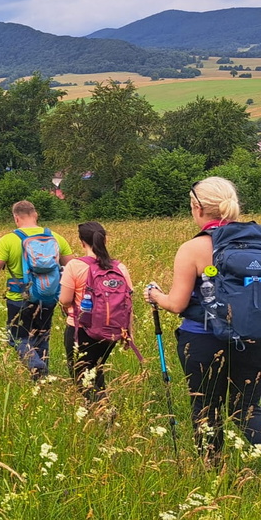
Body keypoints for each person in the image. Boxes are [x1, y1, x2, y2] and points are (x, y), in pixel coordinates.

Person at [144, 176, 261, 460]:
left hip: (203, 340)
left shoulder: (193, 248)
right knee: (250, 408)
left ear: (197, 208)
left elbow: (177, 303)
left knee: (207, 406)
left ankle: (212, 467)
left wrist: (155, 295)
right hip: (253, 337)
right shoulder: (257, 240)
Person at [0, 201, 74, 379]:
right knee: (42, 338)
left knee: (18, 338)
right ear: (36, 215)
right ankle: (41, 380)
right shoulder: (56, 238)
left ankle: (36, 366)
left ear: (16, 218)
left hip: (19, 298)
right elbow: (73, 268)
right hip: (48, 296)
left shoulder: (9, 240)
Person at [59, 221, 134, 402]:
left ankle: (98, 415)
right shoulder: (119, 267)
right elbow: (127, 303)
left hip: (80, 329)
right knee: (97, 368)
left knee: (81, 376)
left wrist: (64, 307)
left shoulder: (75, 266)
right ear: (105, 240)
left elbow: (65, 300)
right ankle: (103, 408)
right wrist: (128, 333)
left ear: (82, 242)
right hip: (111, 330)